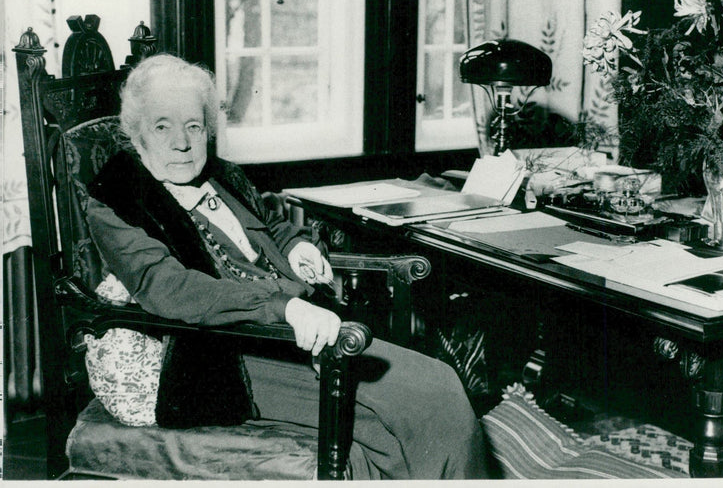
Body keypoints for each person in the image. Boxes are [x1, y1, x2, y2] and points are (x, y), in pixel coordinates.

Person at [85, 53, 489, 480]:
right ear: (137, 135)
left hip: (300, 329)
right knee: (428, 401)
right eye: (162, 126)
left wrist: (296, 247)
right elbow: (168, 288)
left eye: (194, 126)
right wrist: (284, 307)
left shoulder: (221, 176)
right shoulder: (116, 201)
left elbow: (271, 223)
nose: (181, 143)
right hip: (225, 354)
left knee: (430, 397)